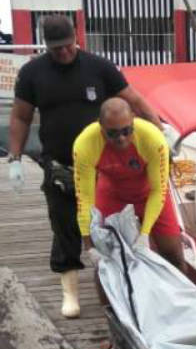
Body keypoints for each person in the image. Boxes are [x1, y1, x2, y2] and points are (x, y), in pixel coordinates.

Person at [6, 14, 162, 318]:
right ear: (46, 46)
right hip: (60, 163)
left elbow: (134, 101)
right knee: (64, 226)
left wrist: (160, 131)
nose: (63, 53)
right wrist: (14, 158)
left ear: (76, 37)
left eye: (67, 46)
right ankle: (71, 294)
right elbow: (21, 116)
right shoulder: (31, 73)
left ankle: (120, 290)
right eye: (55, 49)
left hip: (102, 167)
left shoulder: (99, 67)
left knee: (106, 224)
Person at [72, 98, 184, 270]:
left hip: (149, 193)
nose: (121, 139)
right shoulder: (84, 144)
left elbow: (158, 190)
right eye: (113, 133)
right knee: (108, 258)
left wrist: (144, 233)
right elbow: (85, 198)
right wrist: (89, 246)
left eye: (127, 131)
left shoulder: (153, 138)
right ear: (100, 125)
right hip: (112, 194)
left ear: (133, 119)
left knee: (173, 253)